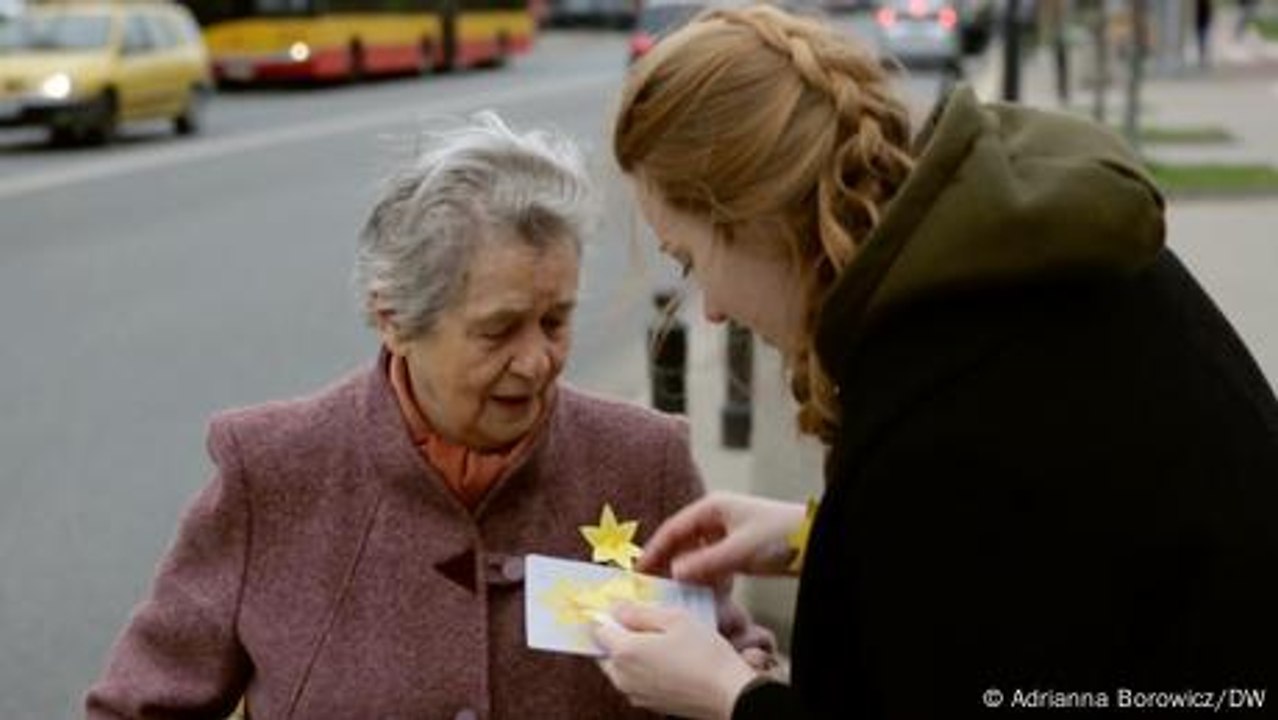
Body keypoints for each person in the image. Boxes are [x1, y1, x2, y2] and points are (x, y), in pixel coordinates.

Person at [593, 5, 1278, 719]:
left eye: (691, 260)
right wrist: (820, 536)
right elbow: (1045, 555)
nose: (711, 311)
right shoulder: (1030, 249)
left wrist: (728, 693)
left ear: (760, 219)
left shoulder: (932, 400)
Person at [85, 113, 773, 719]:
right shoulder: (272, 472)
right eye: (498, 330)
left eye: (555, 320)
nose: (537, 361)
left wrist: (748, 684)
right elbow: (138, 705)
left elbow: (726, 665)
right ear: (394, 318)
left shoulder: (642, 461)